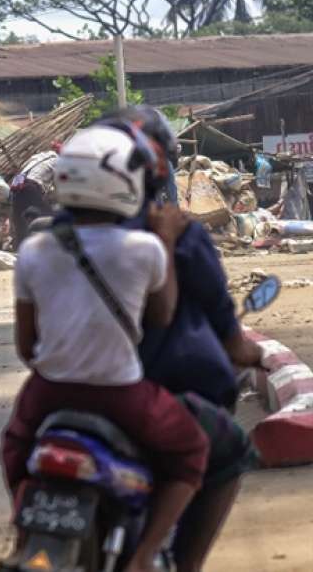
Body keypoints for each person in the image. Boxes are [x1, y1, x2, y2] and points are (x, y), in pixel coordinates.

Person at [1, 127, 209, 572]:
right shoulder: (145, 249)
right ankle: (146, 555)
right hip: (123, 396)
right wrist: (168, 240)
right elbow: (162, 317)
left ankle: (25, 533)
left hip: (49, 394)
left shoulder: (34, 250)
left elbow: (26, 346)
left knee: (15, 448)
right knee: (192, 451)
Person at [97, 106, 262, 571]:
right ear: (158, 168)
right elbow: (201, 324)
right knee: (228, 451)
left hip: (62, 395)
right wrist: (248, 351)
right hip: (153, 396)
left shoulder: (58, 241)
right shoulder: (178, 236)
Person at [9, 141, 62, 249]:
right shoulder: (57, 161)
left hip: (17, 186)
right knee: (47, 215)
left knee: (19, 220)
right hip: (31, 188)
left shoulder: (37, 156)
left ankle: (19, 250)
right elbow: (58, 184)